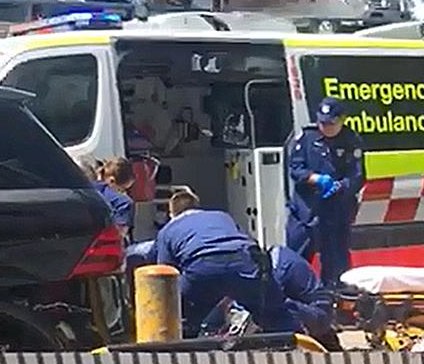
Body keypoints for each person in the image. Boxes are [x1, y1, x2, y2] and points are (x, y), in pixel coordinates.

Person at [153, 188, 295, 335]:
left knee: (180, 314)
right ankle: (292, 343)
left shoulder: (167, 230)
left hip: (201, 267)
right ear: (197, 207)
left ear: (172, 214)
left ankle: (185, 346)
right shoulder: (222, 216)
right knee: (273, 307)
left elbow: (165, 272)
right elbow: (249, 242)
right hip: (244, 262)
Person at [286, 96, 364, 288]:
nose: (326, 127)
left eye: (331, 123)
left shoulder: (351, 141)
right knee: (295, 259)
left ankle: (334, 300)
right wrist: (315, 179)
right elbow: (296, 169)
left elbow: (357, 176)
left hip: (336, 211)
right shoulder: (307, 138)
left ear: (342, 120)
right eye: (322, 122)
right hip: (306, 211)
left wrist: (340, 186)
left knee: (336, 264)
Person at [270, 244, 340, 350]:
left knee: (270, 306)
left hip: (318, 317)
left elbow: (322, 314)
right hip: (311, 315)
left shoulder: (285, 265)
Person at [95, 158, 136, 241]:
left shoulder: (86, 190)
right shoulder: (123, 202)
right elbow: (120, 233)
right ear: (112, 181)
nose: (124, 193)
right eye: (122, 189)